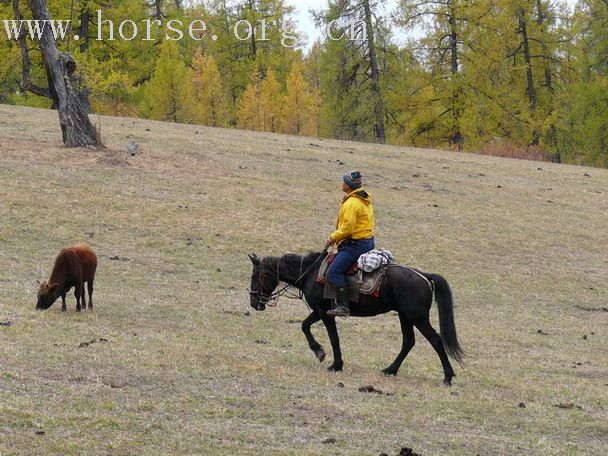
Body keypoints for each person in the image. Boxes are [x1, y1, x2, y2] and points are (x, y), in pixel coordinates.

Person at [325, 170, 375, 317]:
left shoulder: (352, 203)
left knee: (333, 272)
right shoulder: (362, 200)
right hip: (367, 241)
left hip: (356, 245)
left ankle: (343, 306)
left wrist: (332, 238)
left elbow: (347, 228)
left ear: (348, 185)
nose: (342, 183)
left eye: (344, 181)